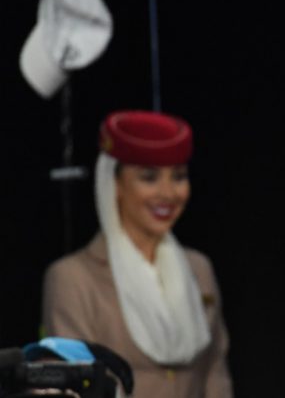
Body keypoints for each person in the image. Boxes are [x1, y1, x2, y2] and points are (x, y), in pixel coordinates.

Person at [42, 110, 233, 398]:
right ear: (114, 184)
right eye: (150, 177)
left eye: (179, 176)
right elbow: (72, 386)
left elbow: (215, 375)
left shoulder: (199, 268)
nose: (169, 193)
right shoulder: (73, 277)